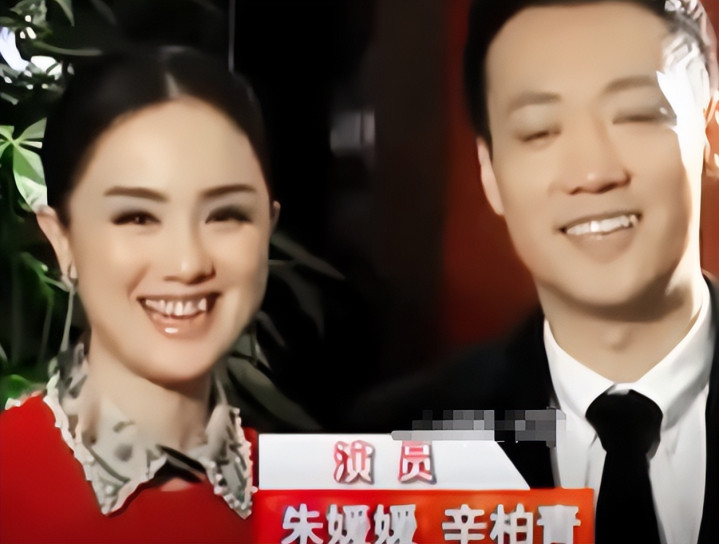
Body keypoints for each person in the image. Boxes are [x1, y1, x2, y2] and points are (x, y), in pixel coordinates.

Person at [350, 1, 719, 543]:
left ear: (711, 134)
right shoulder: (389, 450)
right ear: (490, 172)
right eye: (539, 131)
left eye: (637, 114)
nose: (592, 173)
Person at [0, 46, 280, 543]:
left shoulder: (318, 499)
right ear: (62, 238)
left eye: (226, 214)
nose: (188, 264)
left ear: (268, 228)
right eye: (137, 217)